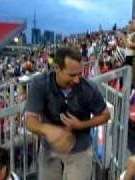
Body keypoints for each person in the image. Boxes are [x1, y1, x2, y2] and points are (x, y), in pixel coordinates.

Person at [25, 47, 110, 180]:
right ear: (57, 68)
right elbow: (30, 119)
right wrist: (47, 129)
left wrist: (80, 125)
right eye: (72, 75)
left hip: (80, 150)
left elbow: (105, 115)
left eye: (80, 74)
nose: (77, 80)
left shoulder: (89, 88)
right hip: (49, 149)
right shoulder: (40, 84)